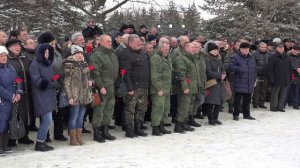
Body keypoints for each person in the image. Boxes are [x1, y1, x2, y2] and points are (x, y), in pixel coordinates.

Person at [119, 34, 150, 138]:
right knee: (130, 110)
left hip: (143, 86)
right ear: (130, 43)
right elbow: (125, 73)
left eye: (140, 43)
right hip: (133, 87)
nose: (139, 45)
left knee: (141, 109)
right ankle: (129, 129)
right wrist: (129, 88)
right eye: (137, 43)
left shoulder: (143, 53)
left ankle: (138, 128)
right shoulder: (125, 54)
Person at [90, 35, 119, 142]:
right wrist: (100, 86)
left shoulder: (112, 53)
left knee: (109, 110)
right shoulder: (97, 55)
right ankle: (97, 133)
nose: (110, 43)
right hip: (102, 88)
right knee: (99, 110)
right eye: (107, 41)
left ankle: (105, 131)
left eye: (111, 41)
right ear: (101, 42)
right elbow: (95, 72)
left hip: (112, 87)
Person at [29, 44, 58, 151]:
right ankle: (40, 142)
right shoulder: (35, 65)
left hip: (50, 95)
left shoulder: (49, 64)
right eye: (45, 52)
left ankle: (43, 141)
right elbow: (37, 82)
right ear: (40, 53)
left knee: (47, 120)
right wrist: (51, 83)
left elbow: (55, 76)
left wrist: (56, 81)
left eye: (48, 52)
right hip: (41, 95)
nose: (47, 54)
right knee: (47, 119)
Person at [6, 39, 34, 146]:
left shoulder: (25, 58)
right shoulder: (7, 59)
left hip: (27, 91)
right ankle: (12, 138)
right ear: (8, 48)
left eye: (18, 45)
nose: (17, 48)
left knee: (25, 114)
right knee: (13, 115)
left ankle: (23, 135)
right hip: (14, 92)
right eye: (14, 46)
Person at [63, 45, 93, 146]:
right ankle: (73, 138)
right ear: (73, 54)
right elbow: (66, 82)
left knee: (81, 117)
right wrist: (70, 96)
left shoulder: (84, 64)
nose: (80, 55)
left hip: (84, 95)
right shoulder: (69, 65)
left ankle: (79, 137)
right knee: (74, 117)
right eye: (77, 53)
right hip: (75, 95)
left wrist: (90, 81)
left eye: (81, 53)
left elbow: (89, 77)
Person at [0, 46, 22, 156]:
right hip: (3, 101)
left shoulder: (11, 67)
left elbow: (18, 79)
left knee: (8, 122)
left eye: (5, 55)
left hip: (12, 100)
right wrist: (10, 96)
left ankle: (5, 145)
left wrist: (19, 91)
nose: (4, 58)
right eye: (1, 55)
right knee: (1, 122)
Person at [174, 43, 199, 133]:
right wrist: (185, 87)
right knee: (183, 106)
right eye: (191, 47)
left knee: (189, 107)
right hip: (186, 88)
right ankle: (178, 125)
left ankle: (185, 123)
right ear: (186, 48)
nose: (193, 49)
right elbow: (182, 75)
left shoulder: (191, 58)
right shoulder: (181, 59)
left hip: (192, 87)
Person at [228, 42, 257, 120]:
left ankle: (246, 114)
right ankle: (235, 114)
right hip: (239, 81)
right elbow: (230, 67)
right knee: (237, 100)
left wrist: (254, 80)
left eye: (247, 48)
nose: (246, 50)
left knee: (247, 100)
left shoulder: (251, 57)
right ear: (240, 49)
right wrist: (240, 69)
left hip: (249, 82)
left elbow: (254, 70)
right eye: (244, 48)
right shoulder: (234, 56)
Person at [150, 42, 172, 136]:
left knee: (165, 108)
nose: (167, 51)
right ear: (160, 48)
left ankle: (161, 126)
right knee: (158, 108)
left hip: (167, 88)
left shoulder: (167, 57)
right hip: (159, 89)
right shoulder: (156, 58)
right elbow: (155, 75)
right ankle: (155, 127)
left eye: (168, 49)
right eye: (165, 49)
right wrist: (159, 88)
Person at [202, 42, 226, 125]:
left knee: (219, 102)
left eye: (216, 50)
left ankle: (216, 117)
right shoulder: (207, 60)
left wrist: (223, 74)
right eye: (214, 50)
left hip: (220, 83)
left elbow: (223, 69)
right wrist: (220, 75)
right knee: (211, 102)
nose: (216, 51)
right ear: (209, 51)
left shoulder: (218, 59)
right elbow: (208, 72)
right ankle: (211, 118)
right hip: (211, 83)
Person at [268, 42, 292, 112]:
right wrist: (272, 78)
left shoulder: (288, 57)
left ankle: (280, 107)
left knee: (283, 94)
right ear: (276, 48)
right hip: (276, 78)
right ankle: (273, 107)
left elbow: (290, 68)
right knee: (275, 94)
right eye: (279, 47)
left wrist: (290, 77)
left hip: (285, 78)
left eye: (282, 47)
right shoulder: (272, 57)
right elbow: (270, 69)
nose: (281, 48)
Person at [252, 42, 270, 108]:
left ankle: (261, 103)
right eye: (262, 47)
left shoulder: (269, 54)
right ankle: (255, 103)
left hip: (265, 75)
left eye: (264, 47)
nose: (263, 48)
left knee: (263, 89)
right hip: (257, 75)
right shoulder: (255, 54)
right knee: (256, 90)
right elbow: (253, 65)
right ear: (259, 47)